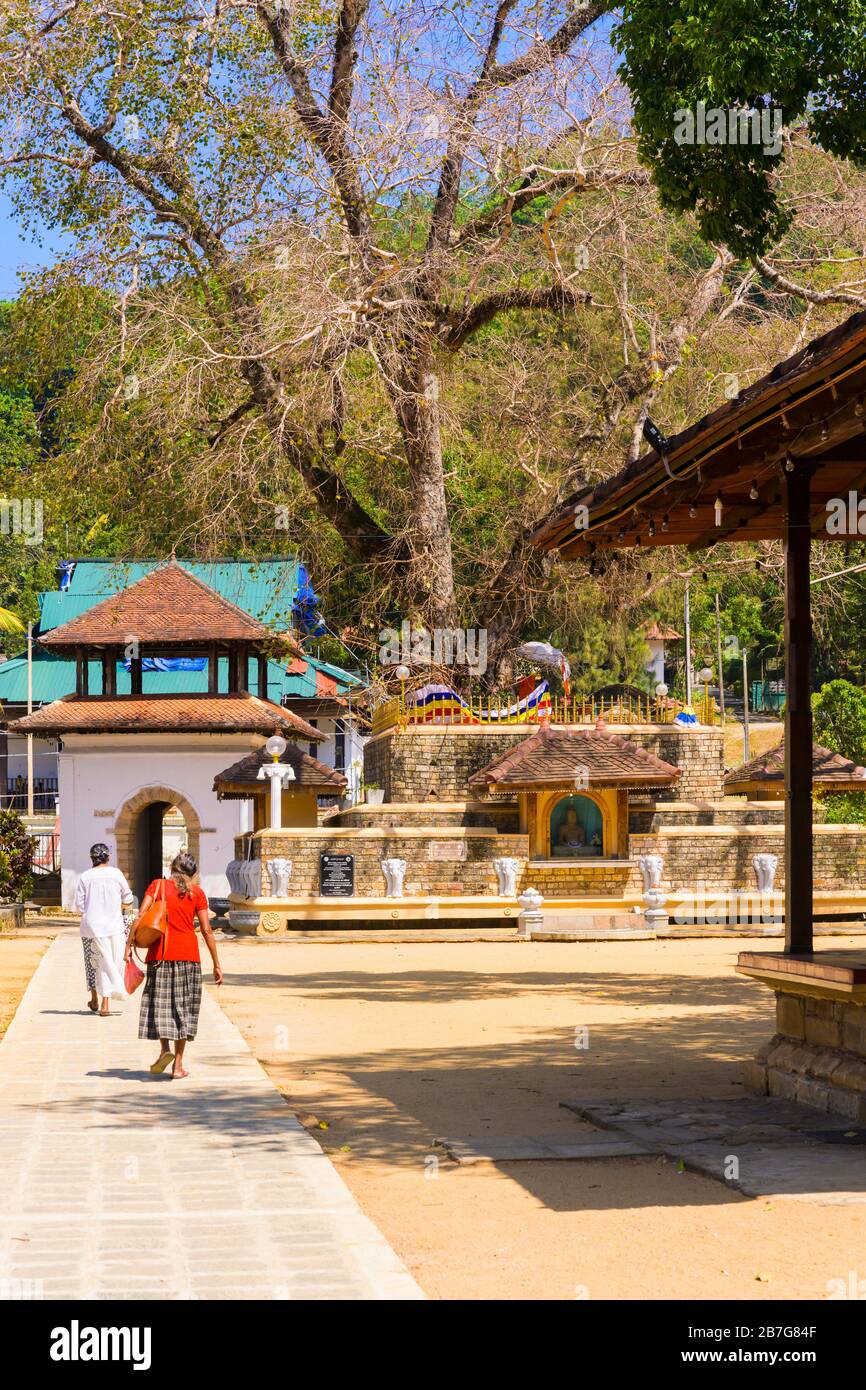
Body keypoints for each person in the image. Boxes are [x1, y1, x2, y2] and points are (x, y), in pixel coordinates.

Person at [129, 851, 222, 1079]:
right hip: (189, 958)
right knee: (184, 1009)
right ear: (194, 873)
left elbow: (140, 915)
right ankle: (178, 1066)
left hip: (159, 955)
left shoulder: (157, 886)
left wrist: (130, 942)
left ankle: (164, 1050)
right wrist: (217, 963)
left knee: (161, 1006)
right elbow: (207, 930)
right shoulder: (197, 893)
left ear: (171, 868)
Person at [75, 844, 134, 1016]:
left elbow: (79, 906)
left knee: (93, 964)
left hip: (91, 929)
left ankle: (94, 998)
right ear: (108, 857)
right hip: (114, 927)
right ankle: (105, 1003)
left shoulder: (85, 877)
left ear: (92, 858)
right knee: (110, 964)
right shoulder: (116, 874)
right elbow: (128, 897)